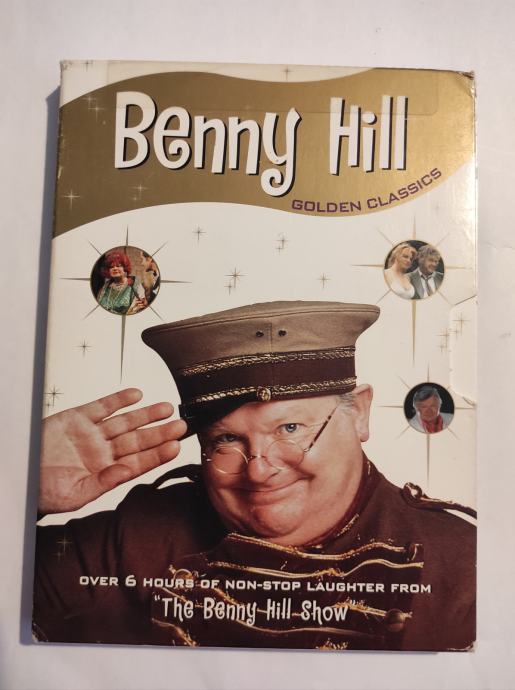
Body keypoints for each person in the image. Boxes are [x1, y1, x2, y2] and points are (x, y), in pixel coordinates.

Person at [33, 301, 475, 651]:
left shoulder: (464, 565)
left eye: (290, 429)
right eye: (227, 439)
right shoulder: (135, 539)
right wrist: (21, 486)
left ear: (358, 413)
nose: (259, 470)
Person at [96, 251, 147, 315]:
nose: (115, 268)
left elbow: (139, 308)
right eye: (111, 267)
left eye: (118, 266)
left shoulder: (135, 285)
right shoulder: (104, 288)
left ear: (125, 268)